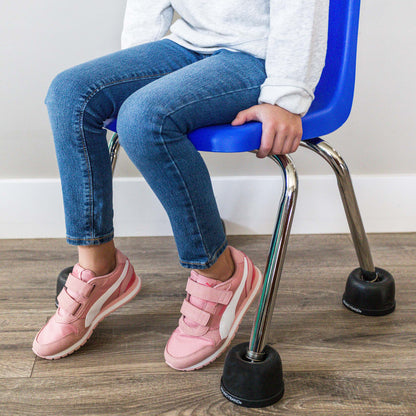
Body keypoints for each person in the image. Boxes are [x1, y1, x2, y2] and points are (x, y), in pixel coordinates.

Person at [32, 0, 329, 370]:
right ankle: (100, 267)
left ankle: (221, 273)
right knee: (69, 94)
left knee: (144, 119)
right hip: (186, 45)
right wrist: (135, 70)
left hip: (258, 56)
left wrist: (286, 95)